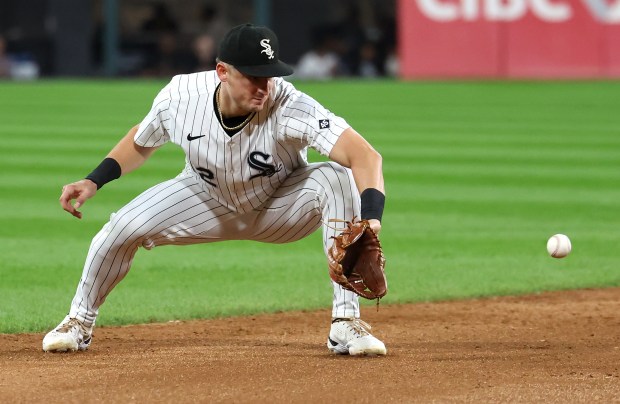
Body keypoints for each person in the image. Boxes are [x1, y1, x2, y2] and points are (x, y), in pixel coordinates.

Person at [42, 24, 387, 356]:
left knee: (336, 176)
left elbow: (364, 156)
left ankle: (346, 322)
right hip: (205, 198)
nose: (263, 86)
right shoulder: (181, 96)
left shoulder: (291, 105)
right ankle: (78, 322)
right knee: (120, 228)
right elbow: (142, 139)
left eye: (268, 75)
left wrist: (371, 219)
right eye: (252, 76)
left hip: (281, 205)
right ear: (222, 71)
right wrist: (94, 179)